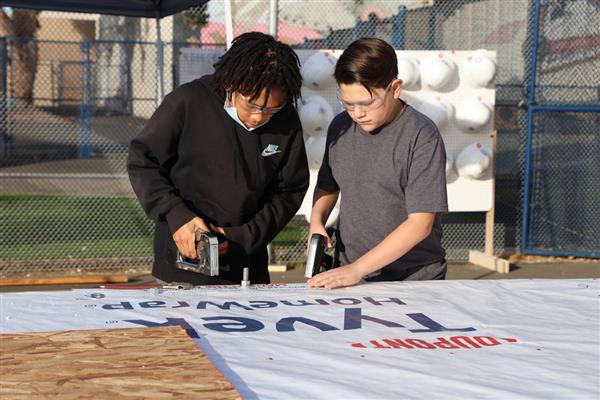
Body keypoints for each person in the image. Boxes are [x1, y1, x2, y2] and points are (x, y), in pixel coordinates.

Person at [128, 32, 309, 286]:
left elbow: (289, 190)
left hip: (248, 268)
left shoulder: (286, 119)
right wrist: (177, 214)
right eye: (252, 105)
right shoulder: (188, 101)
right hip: (181, 263)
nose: (259, 117)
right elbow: (143, 161)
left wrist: (242, 237)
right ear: (231, 84)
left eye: (270, 109)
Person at [307, 37, 448, 289]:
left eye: (368, 103)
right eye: (348, 103)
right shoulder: (340, 126)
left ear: (395, 88)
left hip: (414, 280)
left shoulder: (422, 135)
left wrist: (358, 269)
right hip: (349, 274)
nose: (358, 113)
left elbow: (420, 223)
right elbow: (328, 186)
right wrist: (317, 220)